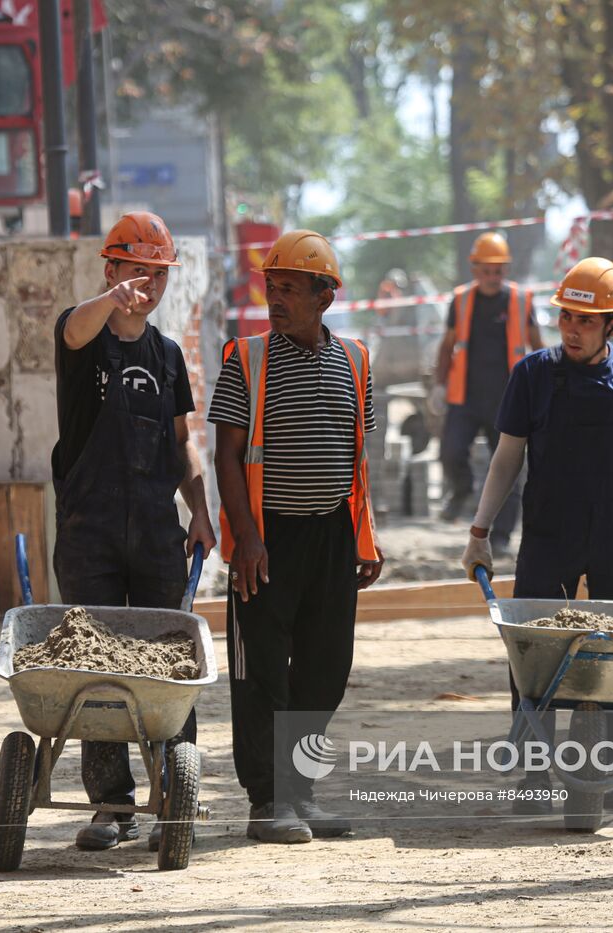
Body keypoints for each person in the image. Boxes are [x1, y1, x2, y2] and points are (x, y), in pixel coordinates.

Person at [459, 256, 613, 813]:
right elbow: (507, 455)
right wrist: (480, 532)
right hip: (549, 533)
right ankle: (535, 774)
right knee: (533, 653)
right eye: (565, 318)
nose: (572, 330)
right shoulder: (533, 375)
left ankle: (603, 773)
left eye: (586, 322)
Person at [210, 229, 383, 844]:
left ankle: (300, 793)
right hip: (268, 540)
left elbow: (357, 460)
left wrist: (365, 538)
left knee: (326, 665)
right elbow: (225, 456)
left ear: (325, 297)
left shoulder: (357, 361)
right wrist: (247, 540)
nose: (275, 300)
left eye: (289, 289)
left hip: (333, 536)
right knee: (260, 671)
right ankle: (267, 801)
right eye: (270, 287)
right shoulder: (245, 359)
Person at [52, 211, 217, 850]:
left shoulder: (168, 356)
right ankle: (111, 808)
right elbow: (73, 329)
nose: (148, 283)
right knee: (95, 665)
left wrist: (199, 511)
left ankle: (176, 797)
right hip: (88, 530)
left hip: (155, 531)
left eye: (158, 273)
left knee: (171, 664)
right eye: (136, 270)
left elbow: (183, 444)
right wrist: (108, 301)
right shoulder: (83, 334)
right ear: (111, 268)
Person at [432, 232, 543, 552]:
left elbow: (537, 346)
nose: (493, 277)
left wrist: (544, 385)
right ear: (474, 269)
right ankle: (462, 488)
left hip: (508, 400)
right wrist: (439, 384)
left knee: (509, 469)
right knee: (451, 452)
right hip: (465, 398)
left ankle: (502, 536)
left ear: (506, 269)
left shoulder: (521, 301)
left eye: (498, 270)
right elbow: (447, 345)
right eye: (486, 270)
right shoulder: (461, 299)